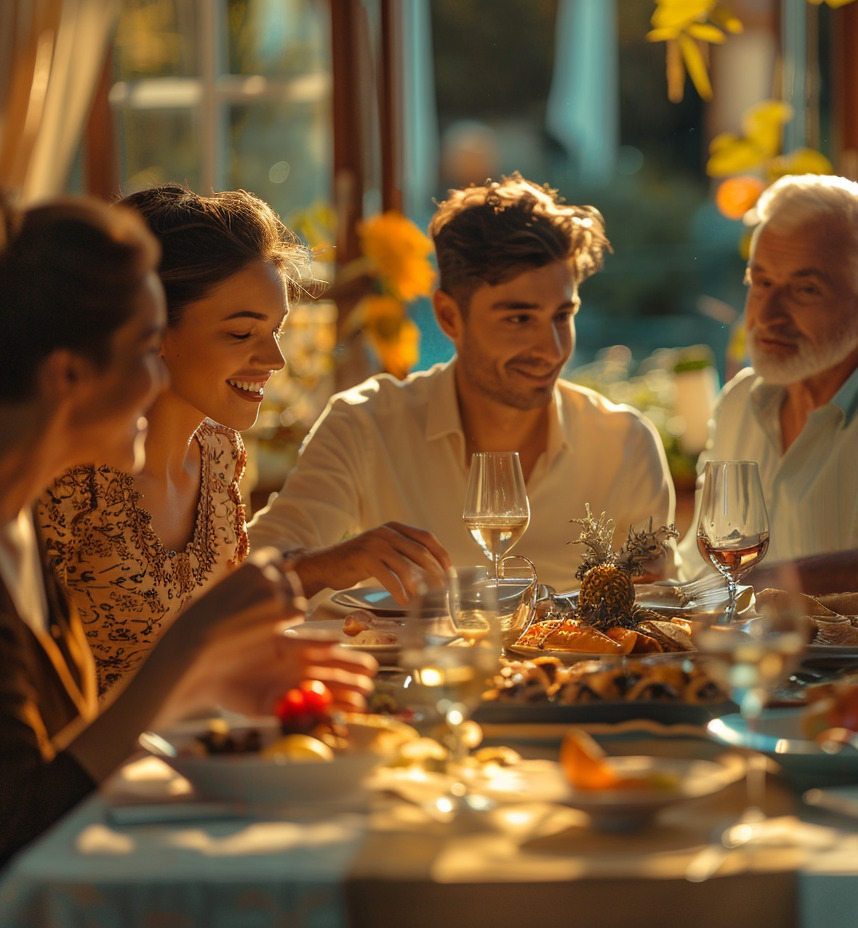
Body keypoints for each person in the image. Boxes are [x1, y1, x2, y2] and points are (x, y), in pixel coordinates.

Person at [0, 193, 374, 868]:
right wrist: (195, 646)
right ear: (67, 374)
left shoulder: (17, 536)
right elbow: (20, 824)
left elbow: (70, 746)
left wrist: (211, 686)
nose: (157, 378)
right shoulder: (40, 517)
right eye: (147, 348)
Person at [249, 174, 675, 593]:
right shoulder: (364, 424)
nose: (552, 348)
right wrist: (335, 563)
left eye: (563, 316)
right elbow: (253, 570)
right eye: (519, 319)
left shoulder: (625, 445)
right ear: (450, 317)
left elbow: (660, 612)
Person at [36, 183, 306, 694]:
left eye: (276, 330)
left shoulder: (221, 453)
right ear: (156, 329)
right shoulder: (70, 473)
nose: (274, 360)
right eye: (241, 333)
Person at [679, 173, 858, 594]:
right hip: (753, 660)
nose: (767, 314)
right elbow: (701, 569)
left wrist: (776, 583)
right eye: (761, 282)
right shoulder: (740, 403)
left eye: (805, 289)